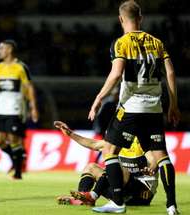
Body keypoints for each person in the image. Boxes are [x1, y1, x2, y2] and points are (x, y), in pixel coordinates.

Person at [88, 1, 180, 214]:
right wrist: (173, 104)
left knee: (110, 150)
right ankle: (172, 206)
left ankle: (118, 202)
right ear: (141, 18)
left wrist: (99, 97)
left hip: (130, 108)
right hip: (154, 109)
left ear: (121, 19)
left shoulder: (121, 43)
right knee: (161, 157)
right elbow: (171, 73)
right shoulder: (157, 42)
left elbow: (116, 73)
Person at [54, 121, 158, 207]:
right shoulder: (116, 142)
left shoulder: (142, 141)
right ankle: (83, 197)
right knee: (91, 167)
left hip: (141, 195)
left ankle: (93, 195)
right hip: (120, 193)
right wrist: (70, 134)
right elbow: (93, 144)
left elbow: (153, 161)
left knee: (118, 167)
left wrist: (151, 168)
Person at [0, 39, 39, 179]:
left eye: (1, 48)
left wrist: (33, 107)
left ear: (9, 50)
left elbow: (29, 87)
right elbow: (1, 88)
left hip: (15, 108)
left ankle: (18, 172)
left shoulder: (21, 67)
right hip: (0, 108)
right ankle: (19, 159)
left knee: (13, 139)